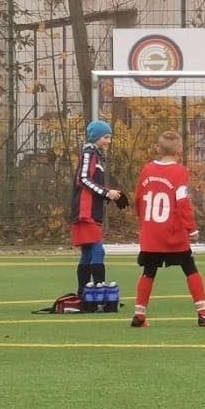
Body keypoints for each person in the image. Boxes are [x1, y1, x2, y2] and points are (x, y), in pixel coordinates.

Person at [132, 131, 205, 328]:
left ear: (158, 148)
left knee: (148, 271)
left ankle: (139, 314)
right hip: (173, 233)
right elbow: (182, 202)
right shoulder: (180, 172)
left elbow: (138, 198)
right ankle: (203, 313)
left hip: (151, 233)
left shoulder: (147, 170)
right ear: (179, 150)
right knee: (190, 268)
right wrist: (191, 228)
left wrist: (144, 222)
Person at [71, 119, 124, 297]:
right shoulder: (89, 153)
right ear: (96, 137)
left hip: (91, 210)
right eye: (106, 137)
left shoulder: (97, 155)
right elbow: (83, 179)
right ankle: (98, 289)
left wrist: (109, 193)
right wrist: (105, 192)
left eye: (110, 137)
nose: (109, 141)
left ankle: (84, 293)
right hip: (85, 211)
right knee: (97, 249)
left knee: (87, 253)